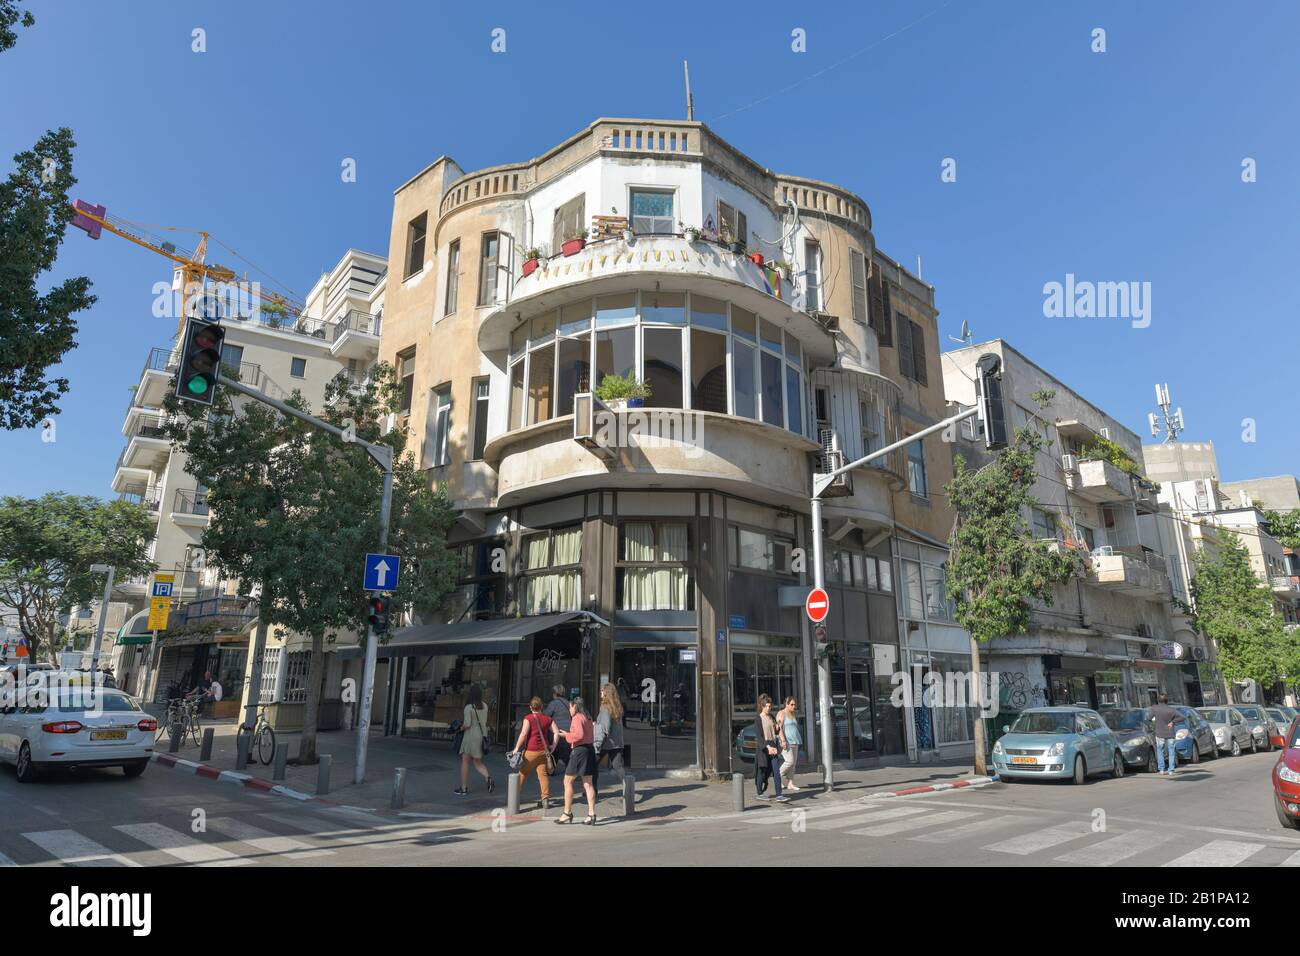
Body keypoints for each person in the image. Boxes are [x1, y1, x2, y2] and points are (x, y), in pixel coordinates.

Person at [553, 696, 598, 825]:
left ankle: (567, 813)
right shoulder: (588, 717)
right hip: (589, 749)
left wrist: (565, 735)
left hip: (579, 751)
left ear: (575, 706)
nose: (569, 710)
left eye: (570, 707)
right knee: (588, 783)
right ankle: (591, 814)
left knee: (567, 781)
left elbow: (578, 735)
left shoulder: (577, 718)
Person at [508, 697, 555, 809]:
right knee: (543, 775)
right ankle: (545, 800)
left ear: (530, 707)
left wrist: (516, 748)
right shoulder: (548, 719)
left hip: (531, 751)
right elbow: (557, 733)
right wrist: (553, 745)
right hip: (543, 752)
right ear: (541, 707)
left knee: (523, 773)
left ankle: (514, 797)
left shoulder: (528, 718)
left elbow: (524, 734)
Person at [454, 683, 496, 795]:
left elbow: (467, 724)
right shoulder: (485, 706)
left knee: (465, 762)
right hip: (482, 735)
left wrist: (460, 728)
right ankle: (488, 778)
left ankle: (463, 788)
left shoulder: (469, 707)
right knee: (477, 761)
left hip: (471, 736)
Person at [753, 694, 789, 802]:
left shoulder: (772, 717)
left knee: (776, 771)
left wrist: (778, 727)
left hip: (773, 745)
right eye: (766, 706)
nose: (768, 708)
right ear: (762, 706)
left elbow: (776, 731)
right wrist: (767, 747)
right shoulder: (758, 719)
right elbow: (759, 736)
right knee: (762, 770)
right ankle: (759, 793)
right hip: (764, 747)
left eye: (770, 706)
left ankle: (779, 795)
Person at [592, 682, 625, 797]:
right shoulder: (617, 706)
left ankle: (593, 792)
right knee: (618, 767)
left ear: (606, 693)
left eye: (602, 690)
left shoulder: (605, 707)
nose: (600, 692)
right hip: (617, 743)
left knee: (593, 764)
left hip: (605, 743)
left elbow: (605, 727)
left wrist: (595, 725)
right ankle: (628, 788)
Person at [1148, 693, 1185, 777]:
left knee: (1160, 750)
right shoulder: (1171, 710)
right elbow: (1182, 717)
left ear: (1158, 700)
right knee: (1171, 751)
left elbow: (1149, 718)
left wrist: (1155, 721)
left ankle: (1161, 769)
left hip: (1159, 732)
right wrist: (1173, 722)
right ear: (1166, 701)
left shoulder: (1154, 708)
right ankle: (1171, 770)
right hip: (1170, 732)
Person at [776, 696, 803, 792]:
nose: (794, 706)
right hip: (786, 742)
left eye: (795, 704)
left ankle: (790, 783)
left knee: (793, 764)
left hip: (795, 741)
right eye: (791, 704)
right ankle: (777, 776)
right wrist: (783, 740)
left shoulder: (792, 714)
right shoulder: (781, 713)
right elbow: (779, 728)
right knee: (789, 762)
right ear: (786, 704)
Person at [543, 684, 573, 767]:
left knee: (554, 750)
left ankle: (551, 769)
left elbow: (546, 716)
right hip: (568, 730)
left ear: (555, 693)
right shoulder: (568, 703)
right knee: (566, 752)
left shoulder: (553, 703)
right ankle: (571, 769)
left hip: (556, 731)